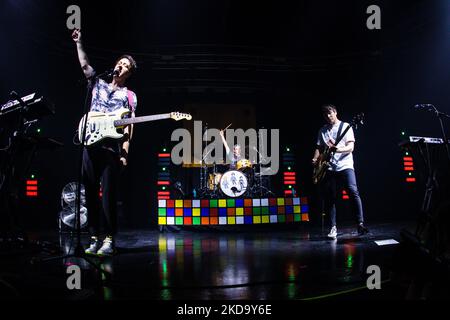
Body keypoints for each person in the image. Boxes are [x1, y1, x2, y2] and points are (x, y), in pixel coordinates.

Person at [72, 29, 138, 255]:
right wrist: (79, 43)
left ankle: (109, 239)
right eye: (120, 63)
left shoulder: (129, 96)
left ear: (129, 73)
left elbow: (130, 125)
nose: (121, 66)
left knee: (108, 194)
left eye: (126, 66)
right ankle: (93, 237)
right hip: (90, 142)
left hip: (111, 146)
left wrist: (125, 152)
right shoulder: (98, 83)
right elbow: (84, 67)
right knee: (89, 192)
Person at [312, 104, 368, 239]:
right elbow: (319, 147)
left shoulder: (346, 127)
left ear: (335, 112)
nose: (328, 116)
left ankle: (360, 224)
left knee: (353, 191)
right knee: (330, 197)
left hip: (345, 165)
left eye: (330, 113)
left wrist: (337, 150)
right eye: (325, 114)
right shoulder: (322, 130)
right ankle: (333, 227)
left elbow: (350, 147)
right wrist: (315, 159)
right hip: (329, 167)